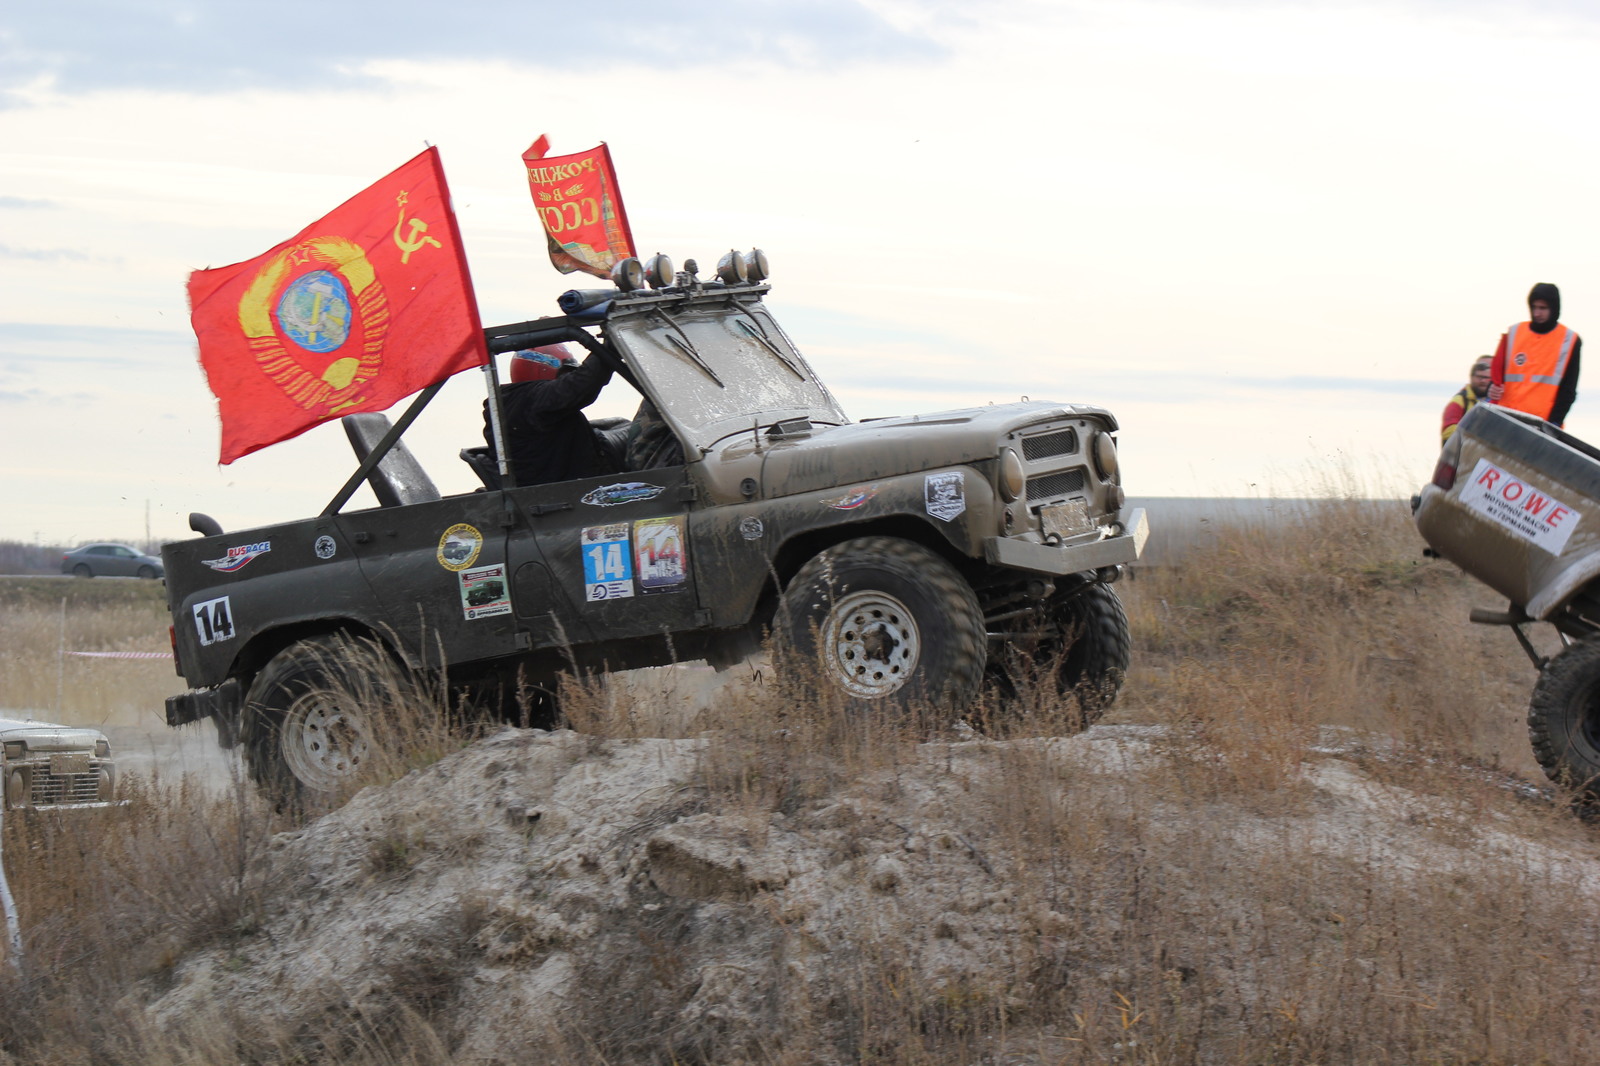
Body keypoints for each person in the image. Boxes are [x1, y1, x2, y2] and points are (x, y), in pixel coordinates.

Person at [483, 345, 623, 487]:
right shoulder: (531, 400)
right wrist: (609, 348)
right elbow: (581, 384)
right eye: (566, 374)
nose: (567, 378)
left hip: (572, 486)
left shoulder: (515, 403)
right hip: (571, 494)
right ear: (543, 369)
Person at [1489, 283, 1581, 426]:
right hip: (1505, 418)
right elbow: (1496, 373)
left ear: (1554, 308)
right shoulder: (1514, 332)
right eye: (1534, 307)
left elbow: (1568, 391)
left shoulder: (1570, 340)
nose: (1537, 313)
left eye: (1542, 308)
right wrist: (1491, 388)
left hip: (1540, 424)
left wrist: (1554, 424)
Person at [1441, 355, 1493, 443]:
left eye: (1487, 378)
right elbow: (1448, 431)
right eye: (1479, 377)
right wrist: (1476, 435)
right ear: (1471, 377)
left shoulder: (1498, 401)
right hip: (1461, 454)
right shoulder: (1460, 400)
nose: (1483, 381)